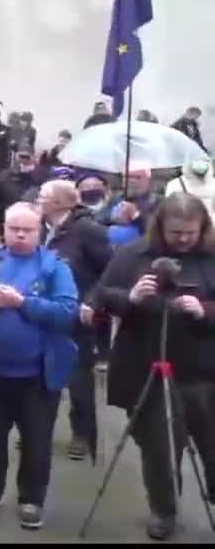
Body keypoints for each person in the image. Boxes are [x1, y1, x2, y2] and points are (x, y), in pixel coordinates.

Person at [92, 193, 215, 540]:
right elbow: (102, 296)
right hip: (148, 367)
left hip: (205, 370)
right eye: (177, 232)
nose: (184, 239)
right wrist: (130, 297)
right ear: (161, 225)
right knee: (159, 448)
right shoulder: (134, 254)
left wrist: (205, 309)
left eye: (191, 232)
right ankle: (163, 510)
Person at [0, 202, 78, 531]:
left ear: (40, 231)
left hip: (36, 375)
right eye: (14, 228)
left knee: (36, 439)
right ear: (3, 228)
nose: (20, 234)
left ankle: (31, 499)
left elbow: (67, 313)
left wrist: (22, 303)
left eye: (28, 230)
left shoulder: (54, 267)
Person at [36, 180, 111, 462]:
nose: (38, 199)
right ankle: (38, 429)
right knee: (39, 375)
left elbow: (110, 270)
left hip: (78, 315)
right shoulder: (42, 227)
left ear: (61, 202)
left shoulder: (88, 230)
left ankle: (82, 433)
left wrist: (92, 300)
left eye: (43, 195)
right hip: (43, 311)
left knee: (78, 378)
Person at [166, 156, 215, 221]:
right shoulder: (175, 184)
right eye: (196, 158)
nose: (200, 162)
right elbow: (170, 213)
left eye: (204, 160)